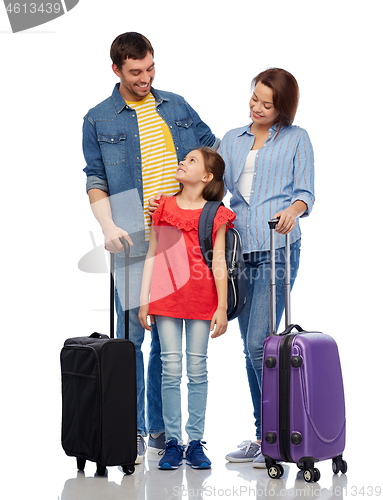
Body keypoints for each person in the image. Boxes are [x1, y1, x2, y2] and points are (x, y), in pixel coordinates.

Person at [82, 32, 220, 464]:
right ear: (117, 70)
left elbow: (213, 152)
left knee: (168, 342)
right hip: (131, 232)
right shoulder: (98, 118)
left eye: (150, 69)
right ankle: (133, 430)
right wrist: (107, 226)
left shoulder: (176, 105)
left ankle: (164, 432)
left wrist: (207, 210)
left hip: (182, 234)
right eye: (136, 72)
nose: (145, 78)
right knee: (130, 337)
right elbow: (96, 179)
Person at [220, 68, 315, 468]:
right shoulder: (232, 139)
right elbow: (212, 186)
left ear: (283, 107)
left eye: (266, 103)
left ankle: (276, 432)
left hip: (277, 246)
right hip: (238, 250)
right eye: (254, 98)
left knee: (261, 343)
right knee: (251, 349)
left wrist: (294, 210)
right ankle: (266, 434)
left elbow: (305, 192)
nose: (256, 107)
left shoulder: (297, 139)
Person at [138, 147, 236, 470]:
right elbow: (152, 252)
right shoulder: (163, 205)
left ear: (207, 177)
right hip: (165, 300)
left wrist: (221, 307)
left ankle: (195, 442)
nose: (184, 162)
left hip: (201, 301)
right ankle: (173, 443)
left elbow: (219, 261)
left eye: (191, 160)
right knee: (170, 369)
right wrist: (144, 299)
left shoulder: (215, 212)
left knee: (197, 370)